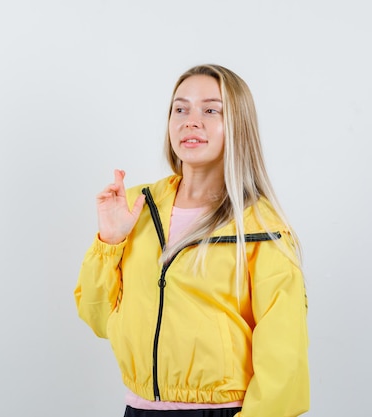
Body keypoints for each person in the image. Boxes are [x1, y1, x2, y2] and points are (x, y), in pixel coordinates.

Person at [74, 64, 309, 417]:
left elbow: (284, 355)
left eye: (211, 110)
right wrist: (110, 241)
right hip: (139, 409)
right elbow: (99, 319)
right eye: (180, 109)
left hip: (221, 411)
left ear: (238, 126)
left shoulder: (259, 225)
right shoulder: (137, 208)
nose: (191, 121)